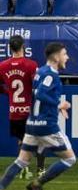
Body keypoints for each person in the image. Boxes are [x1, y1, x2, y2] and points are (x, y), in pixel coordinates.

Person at [0, 43, 76, 190]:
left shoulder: (39, 72)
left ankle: (0, 189)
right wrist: (59, 105)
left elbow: (36, 93)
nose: (67, 57)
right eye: (64, 54)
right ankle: (37, 184)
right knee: (70, 159)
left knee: (22, 161)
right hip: (46, 126)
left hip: (32, 124)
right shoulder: (50, 75)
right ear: (56, 57)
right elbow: (41, 93)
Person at [0, 35, 42, 180]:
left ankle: (24, 169)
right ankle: (41, 170)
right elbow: (37, 86)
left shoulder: (3, 66)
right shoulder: (31, 65)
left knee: (21, 140)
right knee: (39, 139)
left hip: (14, 111)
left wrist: (8, 92)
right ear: (23, 46)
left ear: (9, 48)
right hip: (30, 109)